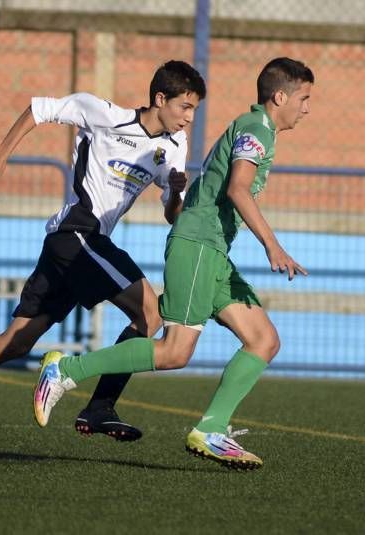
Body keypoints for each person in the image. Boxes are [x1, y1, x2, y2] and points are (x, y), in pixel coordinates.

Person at [0, 60, 207, 453]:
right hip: (77, 234)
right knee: (151, 314)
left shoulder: (174, 147)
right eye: (185, 107)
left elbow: (170, 215)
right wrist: (0, 156)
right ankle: (100, 406)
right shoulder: (104, 114)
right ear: (161, 99)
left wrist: (176, 193)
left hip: (75, 247)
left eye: (193, 110)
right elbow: (40, 109)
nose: (189, 118)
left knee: (16, 342)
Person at [34, 57, 314, 470]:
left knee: (263, 340)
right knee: (174, 351)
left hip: (213, 253)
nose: (307, 108)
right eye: (304, 98)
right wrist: (273, 246)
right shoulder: (256, 129)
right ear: (280, 96)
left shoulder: (259, 130)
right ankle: (65, 369)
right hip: (198, 247)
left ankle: (212, 429)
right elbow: (238, 189)